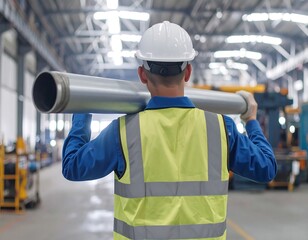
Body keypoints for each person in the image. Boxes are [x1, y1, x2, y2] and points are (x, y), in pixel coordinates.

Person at [62, 21, 277, 240]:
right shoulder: (221, 128)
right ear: (188, 72)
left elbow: (72, 167)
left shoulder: (123, 132)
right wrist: (251, 120)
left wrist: (82, 109)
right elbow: (266, 168)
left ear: (142, 75)